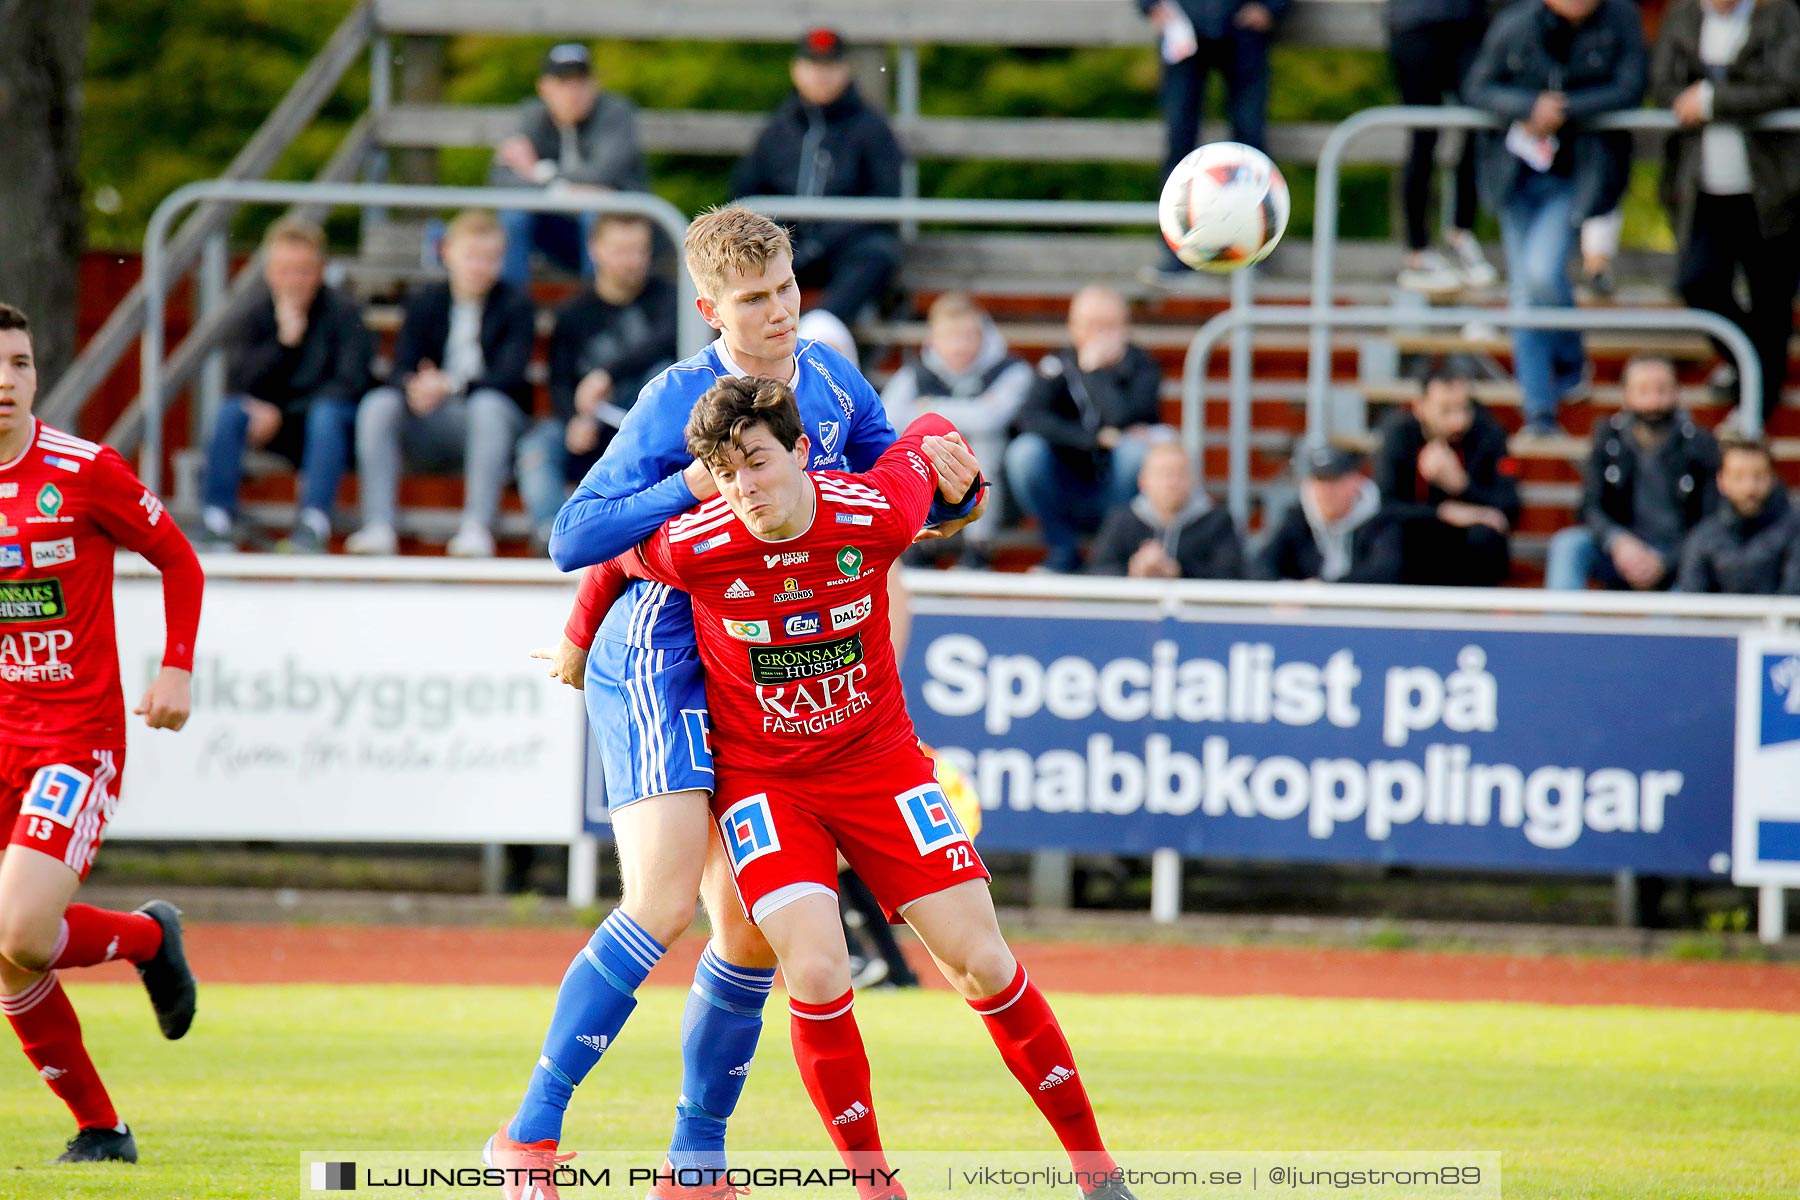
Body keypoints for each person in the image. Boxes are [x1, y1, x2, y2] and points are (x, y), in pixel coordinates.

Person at [485, 207, 982, 1200]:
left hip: (748, 669)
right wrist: (692, 488)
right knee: (663, 898)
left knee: (743, 929)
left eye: (788, 287)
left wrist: (960, 494)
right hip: (664, 649)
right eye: (754, 300)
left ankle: (694, 1166)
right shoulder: (678, 396)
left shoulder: (830, 377)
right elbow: (573, 534)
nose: (780, 312)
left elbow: (893, 480)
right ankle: (527, 1137)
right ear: (711, 308)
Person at [601, 376, 1137, 1200]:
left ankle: (1097, 1173)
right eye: (727, 469)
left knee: (985, 964)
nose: (745, 485)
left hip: (882, 770)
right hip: (769, 789)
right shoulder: (698, 539)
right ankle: (875, 1186)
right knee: (817, 974)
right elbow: (608, 555)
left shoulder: (875, 511)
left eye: (758, 461)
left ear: (805, 452)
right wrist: (576, 640)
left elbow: (926, 432)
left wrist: (964, 475)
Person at [0, 303, 201, 1164]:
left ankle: (151, 939)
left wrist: (177, 666)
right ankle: (100, 1130)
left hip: (72, 737)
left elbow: (179, 558)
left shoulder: (81, 470)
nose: (5, 383)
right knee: (11, 956)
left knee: (16, 933)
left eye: (19, 364)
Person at [1463, 0, 1648, 435]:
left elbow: (1631, 87)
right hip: (1516, 174)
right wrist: (1528, 106)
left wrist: (1563, 110)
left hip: (1576, 172)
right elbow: (1478, 86)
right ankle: (1540, 409)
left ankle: (1567, 362)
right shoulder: (1516, 22)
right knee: (1525, 292)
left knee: (1541, 274)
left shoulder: (1620, 20)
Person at [347, 210, 536, 559]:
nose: (480, 267)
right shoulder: (424, 302)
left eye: (490, 259)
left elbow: (509, 376)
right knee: (379, 404)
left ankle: (478, 527)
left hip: (490, 425)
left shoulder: (516, 304)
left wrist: (449, 385)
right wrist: (416, 387)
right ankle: (378, 525)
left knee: (488, 405)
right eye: (471, 256)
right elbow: (401, 365)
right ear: (446, 252)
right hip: (431, 420)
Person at [1652, 0, 1800, 426]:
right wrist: (1691, 101)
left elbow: (1785, 86)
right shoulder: (1681, 17)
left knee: (1771, 299)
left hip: (1771, 191)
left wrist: (1714, 100)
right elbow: (1662, 84)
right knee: (1697, 283)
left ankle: (1757, 408)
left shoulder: (1780, 16)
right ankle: (1748, 361)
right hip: (1703, 188)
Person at [197, 218, 369, 554]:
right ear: (270, 272)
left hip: (328, 428)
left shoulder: (345, 313)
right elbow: (240, 382)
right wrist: (283, 344)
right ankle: (215, 518)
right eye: (286, 270)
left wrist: (282, 412)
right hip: (273, 429)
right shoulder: (255, 315)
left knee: (326, 415)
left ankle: (313, 522)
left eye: (303, 270)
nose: (295, 280)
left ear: (320, 270)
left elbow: (351, 382)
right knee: (230, 413)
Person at [517, 214, 677, 551]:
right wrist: (573, 420)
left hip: (652, 433)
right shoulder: (573, 313)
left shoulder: (669, 300)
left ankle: (652, 532)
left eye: (640, 251)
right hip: (594, 427)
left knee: (661, 380)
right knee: (538, 445)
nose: (633, 261)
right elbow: (559, 379)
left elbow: (665, 344)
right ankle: (554, 537)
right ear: (595, 251)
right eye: (622, 251)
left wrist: (607, 374)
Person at [731, 28, 904, 324]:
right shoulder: (778, 130)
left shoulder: (872, 128)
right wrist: (777, 237)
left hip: (844, 250)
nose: (821, 76)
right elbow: (743, 191)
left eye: (830, 66)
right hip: (782, 246)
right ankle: (756, 328)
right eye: (813, 66)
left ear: (845, 69)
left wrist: (824, 242)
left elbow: (885, 204)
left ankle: (817, 328)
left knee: (878, 253)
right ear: (796, 70)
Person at [1005, 286, 1165, 573]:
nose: (1100, 335)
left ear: (1125, 328)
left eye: (1109, 326)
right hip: (1066, 485)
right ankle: (1062, 551)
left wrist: (1093, 373)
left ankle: (1107, 554)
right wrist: (1093, 440)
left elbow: (1127, 418)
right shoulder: (1056, 364)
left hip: (1120, 491)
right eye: (1091, 325)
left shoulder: (1143, 366)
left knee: (1133, 452)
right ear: (1073, 328)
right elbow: (1030, 418)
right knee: (1024, 453)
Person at [881, 293, 1033, 567]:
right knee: (916, 444)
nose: (960, 346)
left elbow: (989, 419)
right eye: (950, 337)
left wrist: (927, 409)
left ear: (983, 336)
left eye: (968, 336)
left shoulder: (1011, 370)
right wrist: (967, 411)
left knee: (981, 439)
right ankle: (919, 537)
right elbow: (887, 422)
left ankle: (979, 545)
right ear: (933, 340)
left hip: (1004, 487)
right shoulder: (915, 374)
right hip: (931, 480)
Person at [1544, 356, 1721, 590]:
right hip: (1622, 550)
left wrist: (1667, 560)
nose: (1653, 402)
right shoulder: (1608, 438)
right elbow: (1589, 506)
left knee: (1687, 585)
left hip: (1681, 558)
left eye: (1662, 390)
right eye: (1643, 391)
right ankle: (1560, 625)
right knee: (1568, 544)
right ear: (1626, 395)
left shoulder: (1700, 444)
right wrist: (1618, 542)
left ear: (1677, 393)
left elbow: (1711, 521)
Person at [1140, 0, 1280, 275]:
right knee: (1178, 140)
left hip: (1243, 28)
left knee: (1250, 139)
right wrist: (1150, 5)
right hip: (1182, 25)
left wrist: (1273, 7)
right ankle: (1177, 249)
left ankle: (1253, 247)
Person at [489, 43, 648, 285]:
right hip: (552, 231)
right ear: (544, 88)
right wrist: (562, 191)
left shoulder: (616, 113)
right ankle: (513, 311)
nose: (573, 92)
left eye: (581, 82)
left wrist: (537, 172)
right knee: (514, 215)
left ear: (594, 85)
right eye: (563, 82)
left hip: (618, 231)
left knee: (595, 215)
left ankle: (593, 310)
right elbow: (502, 181)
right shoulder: (530, 116)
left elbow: (604, 174)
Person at [1373, 357, 1520, 586]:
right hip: (1418, 537)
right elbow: (1386, 506)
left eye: (1464, 409)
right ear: (1420, 407)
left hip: (1465, 544)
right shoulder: (1399, 435)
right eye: (1446, 411)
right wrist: (1443, 512)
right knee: (1390, 538)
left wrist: (1462, 486)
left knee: (1487, 536)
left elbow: (1511, 506)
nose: (1458, 422)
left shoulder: (1489, 433)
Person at [1386, 0, 1498, 293]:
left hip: (1467, 21)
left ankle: (1460, 234)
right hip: (1414, 22)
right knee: (1424, 137)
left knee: (1478, 125)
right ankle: (1417, 251)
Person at [1252, 442, 1407, 583]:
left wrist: (1326, 589)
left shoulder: (1381, 520)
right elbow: (1262, 564)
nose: (1325, 492)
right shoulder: (1299, 518)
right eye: (1319, 482)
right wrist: (1289, 592)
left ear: (1355, 482)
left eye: (1334, 481)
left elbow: (1384, 572)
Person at [1088, 440, 1243, 579]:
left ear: (1194, 480)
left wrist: (1179, 573)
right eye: (1163, 474)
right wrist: (1133, 571)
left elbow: (1229, 576)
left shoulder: (1217, 523)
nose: (1171, 482)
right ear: (1143, 481)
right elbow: (1097, 571)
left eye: (1180, 474)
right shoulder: (1122, 521)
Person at [1675, 435, 1800, 593]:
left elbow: (1793, 596)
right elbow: (1692, 599)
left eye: (1759, 476)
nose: (1749, 488)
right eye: (1738, 477)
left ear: (1772, 478)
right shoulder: (1703, 537)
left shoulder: (1794, 531)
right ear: (1721, 480)